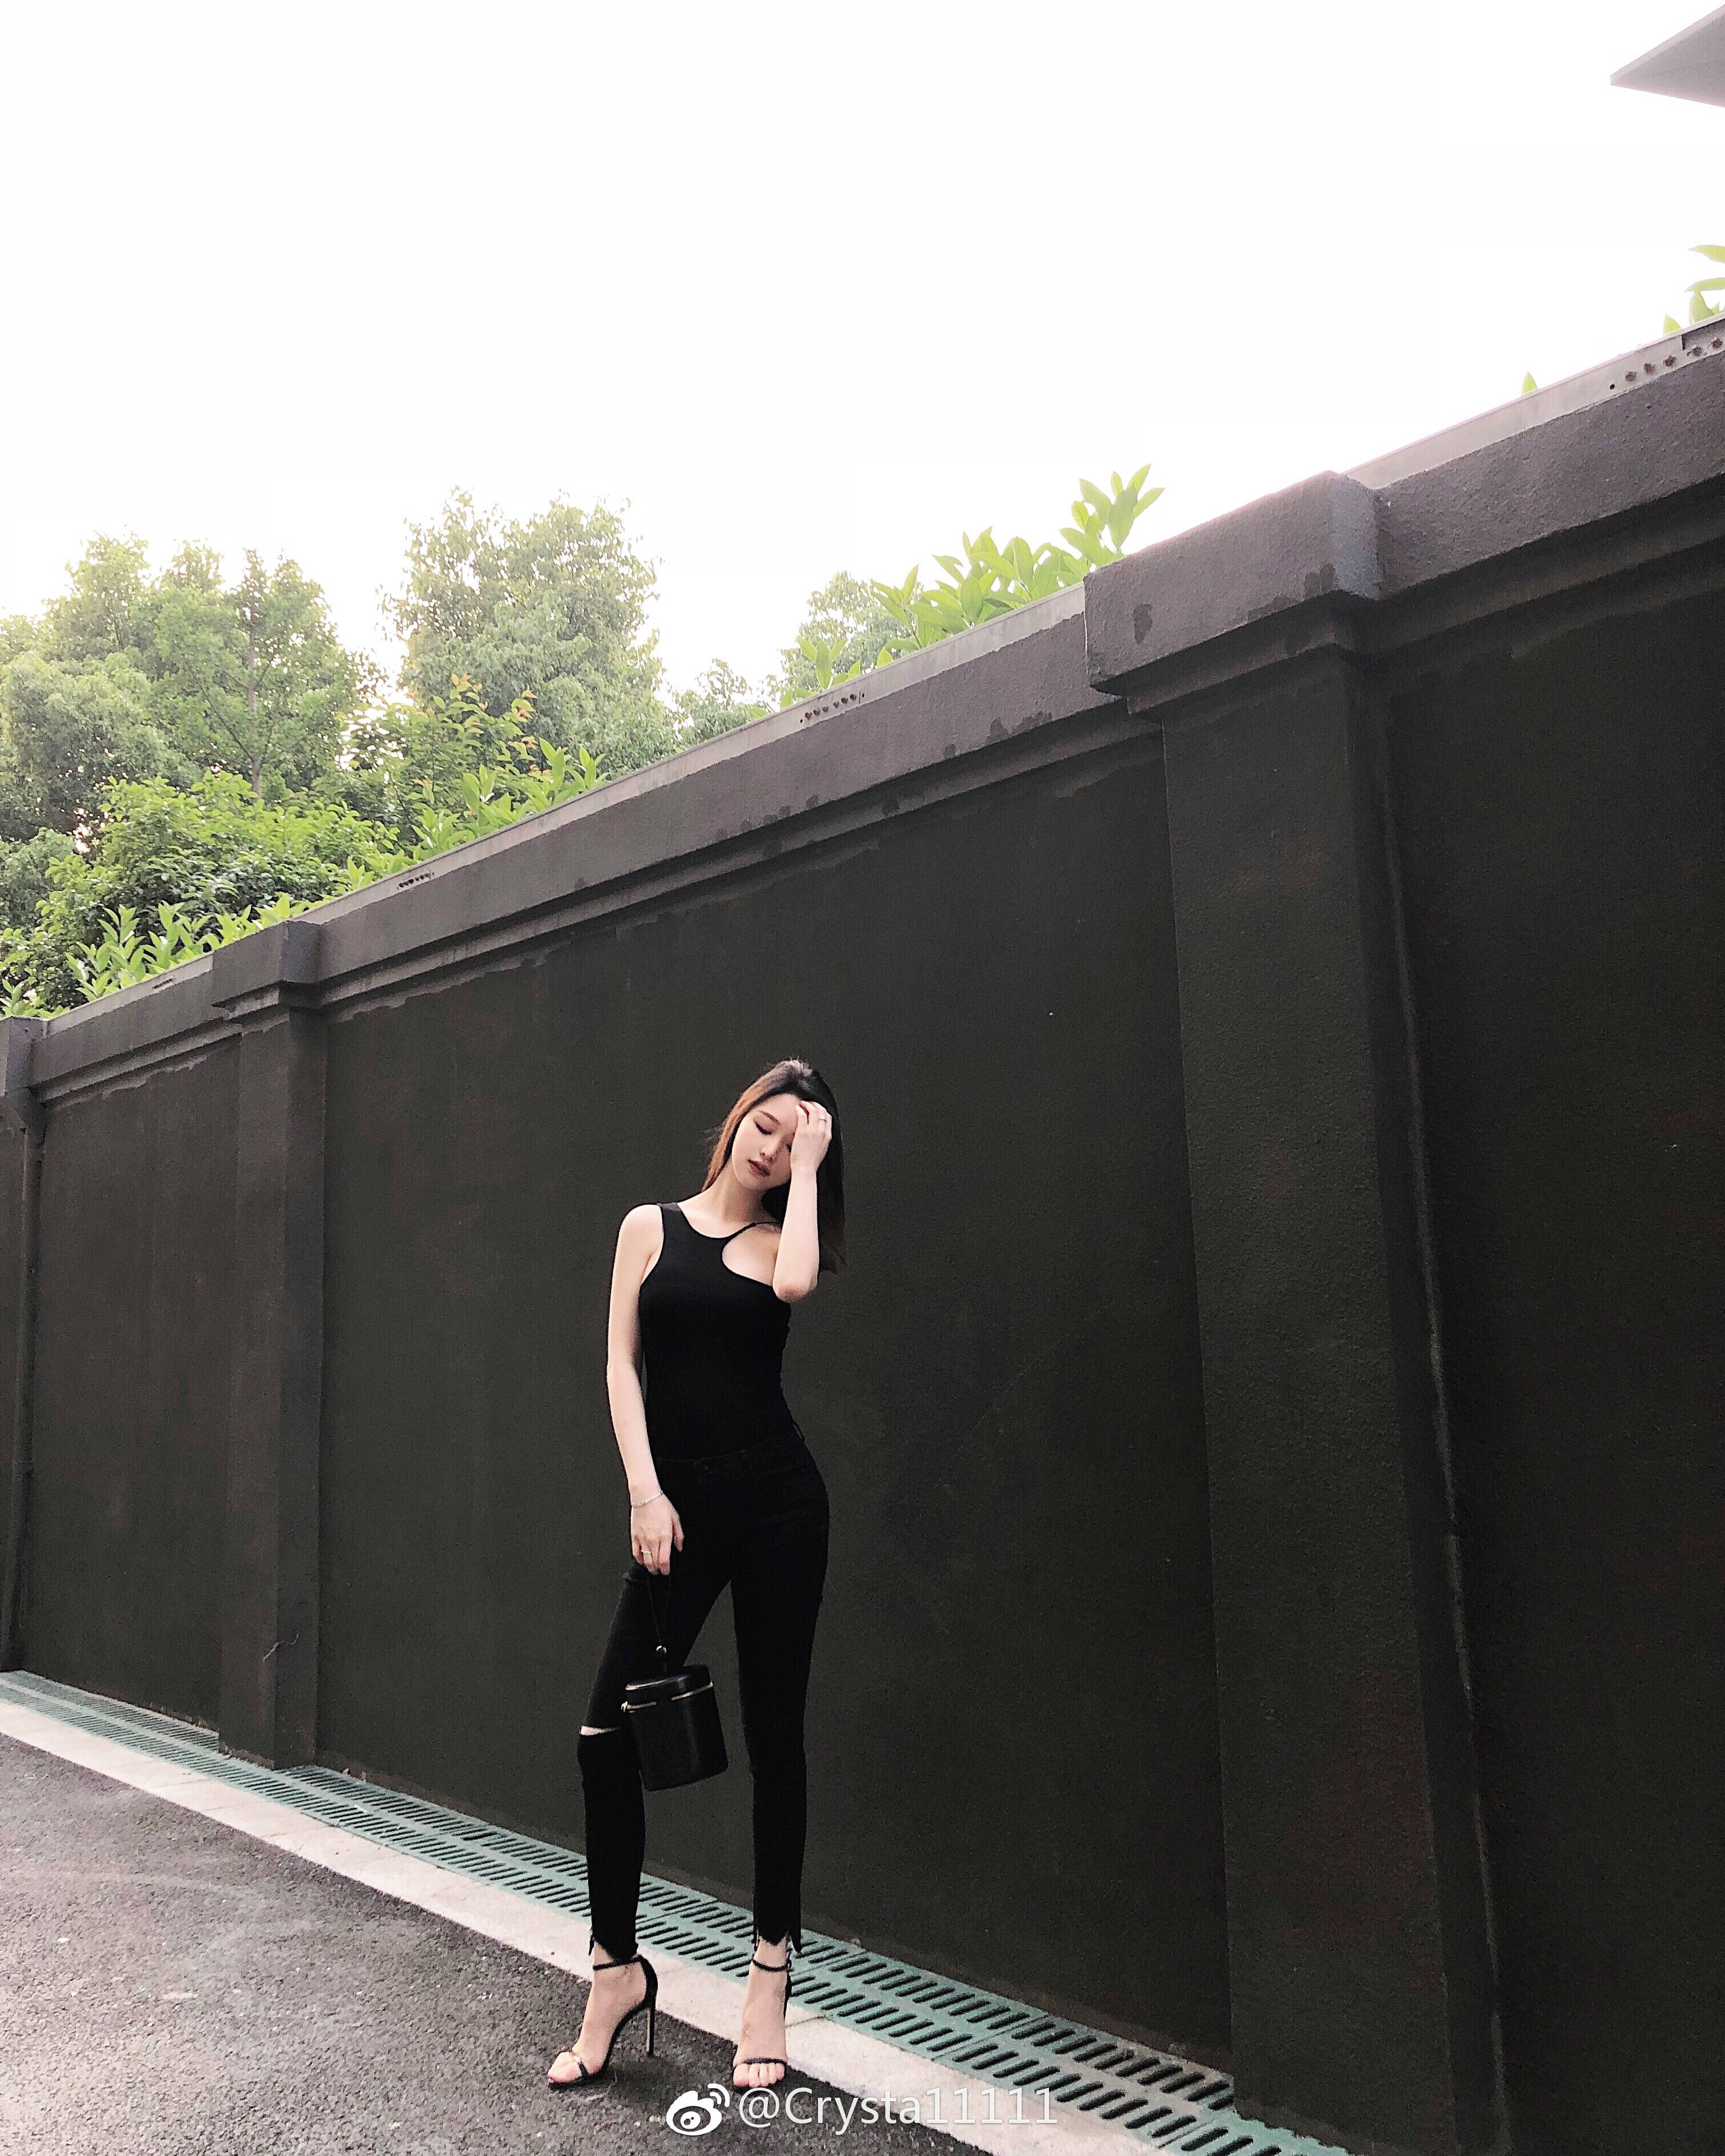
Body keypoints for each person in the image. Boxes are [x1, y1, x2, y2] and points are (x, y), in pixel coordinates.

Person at [547, 1056, 847, 2092]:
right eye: (766, 1126)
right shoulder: (648, 1227)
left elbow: (797, 1284)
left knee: (775, 1738)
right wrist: (645, 1492)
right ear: (738, 1116)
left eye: (793, 1143)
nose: (771, 1149)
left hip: (780, 1511)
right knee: (603, 1737)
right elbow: (621, 1366)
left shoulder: (782, 1245)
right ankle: (615, 1971)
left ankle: (769, 1975)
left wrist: (812, 1166)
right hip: (679, 1515)